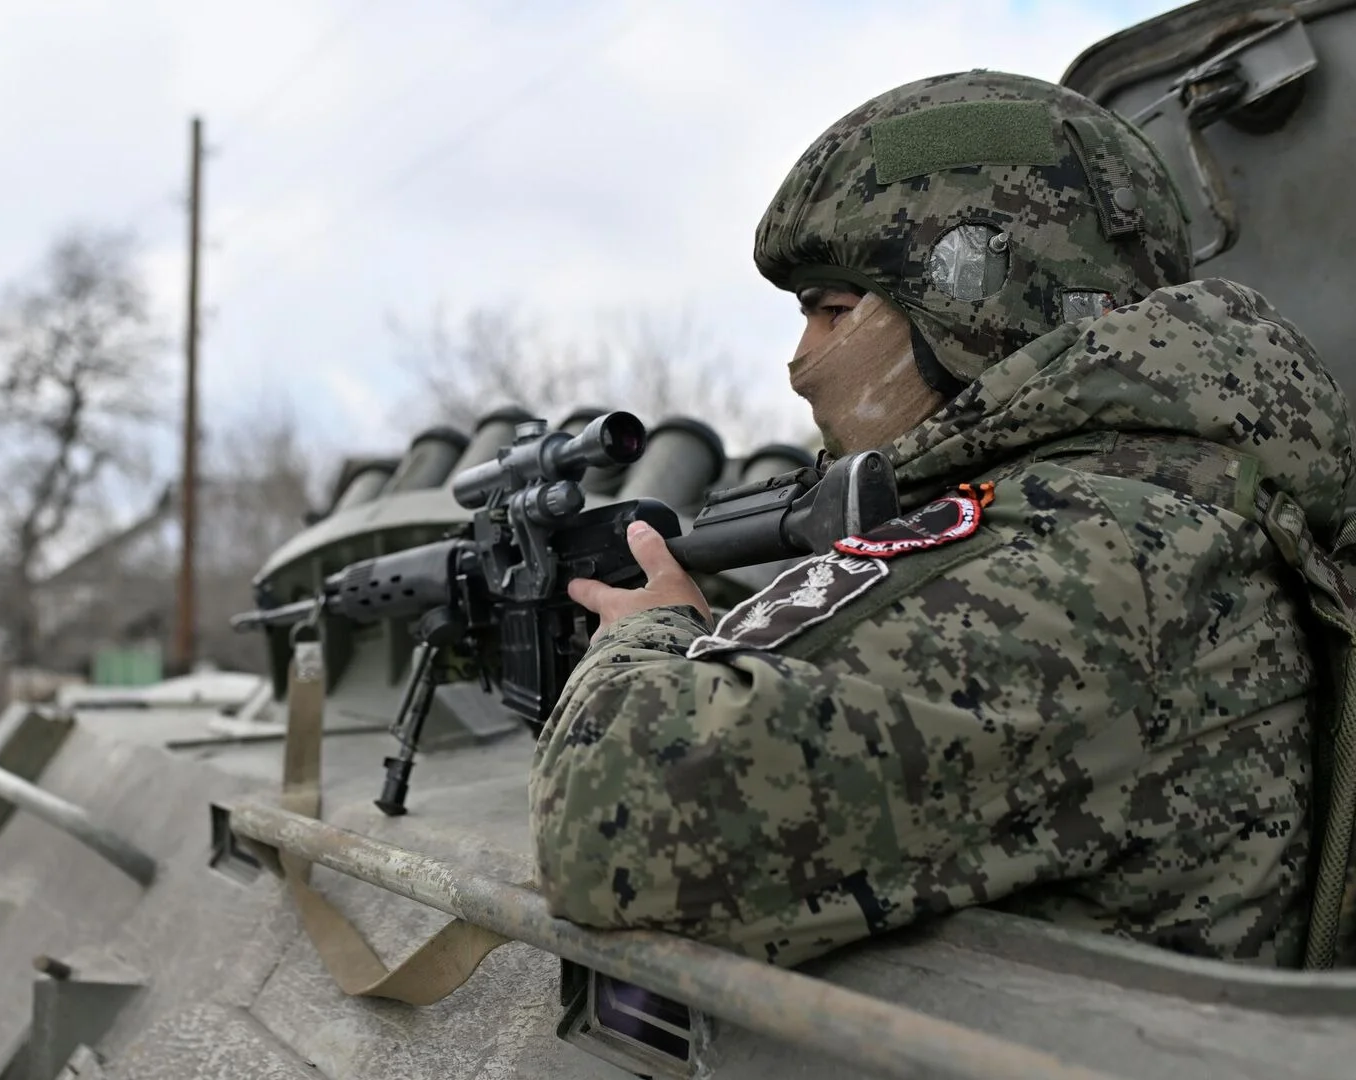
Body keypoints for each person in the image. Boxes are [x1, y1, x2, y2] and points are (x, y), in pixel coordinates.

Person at [528, 69, 1356, 969]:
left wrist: (647, 633)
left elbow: (614, 822)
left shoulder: (1098, 554)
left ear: (981, 303)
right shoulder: (1134, 509)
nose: (802, 359)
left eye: (835, 309)